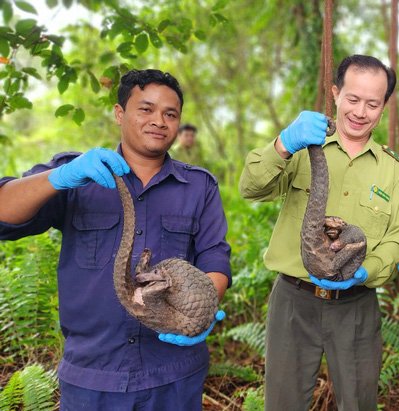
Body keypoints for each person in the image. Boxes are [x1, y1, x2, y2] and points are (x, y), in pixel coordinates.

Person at [0, 69, 231, 410]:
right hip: (92, 377)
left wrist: (201, 309)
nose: (159, 121)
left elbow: (214, 258)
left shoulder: (199, 187)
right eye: (146, 109)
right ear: (120, 114)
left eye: (171, 114)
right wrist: (61, 177)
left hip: (174, 374)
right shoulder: (77, 174)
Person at [240, 54, 399, 410]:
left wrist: (369, 269)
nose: (360, 111)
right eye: (352, 99)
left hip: (356, 305)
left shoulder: (394, 171)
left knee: (359, 402)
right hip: (294, 300)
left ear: (383, 107)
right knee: (283, 402)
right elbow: (251, 188)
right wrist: (284, 143)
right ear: (335, 93)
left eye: (372, 103)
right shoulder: (304, 148)